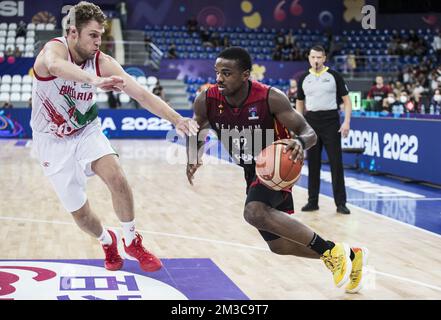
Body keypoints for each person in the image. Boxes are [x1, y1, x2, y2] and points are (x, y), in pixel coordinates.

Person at [30, 1, 198, 272]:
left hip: (86, 131)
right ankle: (106, 240)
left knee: (117, 176)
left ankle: (131, 240)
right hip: (51, 142)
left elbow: (141, 94)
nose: (99, 41)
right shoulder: (53, 50)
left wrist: (177, 119)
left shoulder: (103, 62)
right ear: (73, 33)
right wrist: (93, 80)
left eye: (101, 35)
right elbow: (55, 66)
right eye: (93, 35)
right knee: (82, 216)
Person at [186, 46, 368, 293]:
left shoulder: (270, 97)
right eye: (217, 72)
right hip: (251, 169)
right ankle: (347, 254)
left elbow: (309, 133)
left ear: (245, 74)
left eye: (226, 73)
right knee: (279, 246)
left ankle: (331, 253)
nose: (219, 78)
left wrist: (300, 142)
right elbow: (198, 127)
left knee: (253, 212)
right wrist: (194, 155)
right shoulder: (206, 99)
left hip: (277, 166)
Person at [296, 45, 352, 215]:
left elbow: (347, 101)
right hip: (311, 122)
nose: (316, 60)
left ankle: (341, 203)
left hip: (331, 122)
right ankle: (312, 202)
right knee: (313, 164)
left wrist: (347, 122)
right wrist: (300, 125)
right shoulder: (304, 78)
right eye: (313, 57)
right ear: (309, 58)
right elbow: (300, 102)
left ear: (324, 58)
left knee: (336, 163)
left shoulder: (334, 76)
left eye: (319, 57)